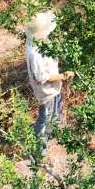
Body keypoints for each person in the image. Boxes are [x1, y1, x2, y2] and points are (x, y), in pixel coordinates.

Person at [24, 10, 73, 157]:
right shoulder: (35, 53)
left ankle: (42, 144)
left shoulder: (38, 41)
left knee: (53, 117)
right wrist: (63, 76)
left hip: (54, 89)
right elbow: (41, 77)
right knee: (45, 121)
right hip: (47, 91)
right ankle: (38, 153)